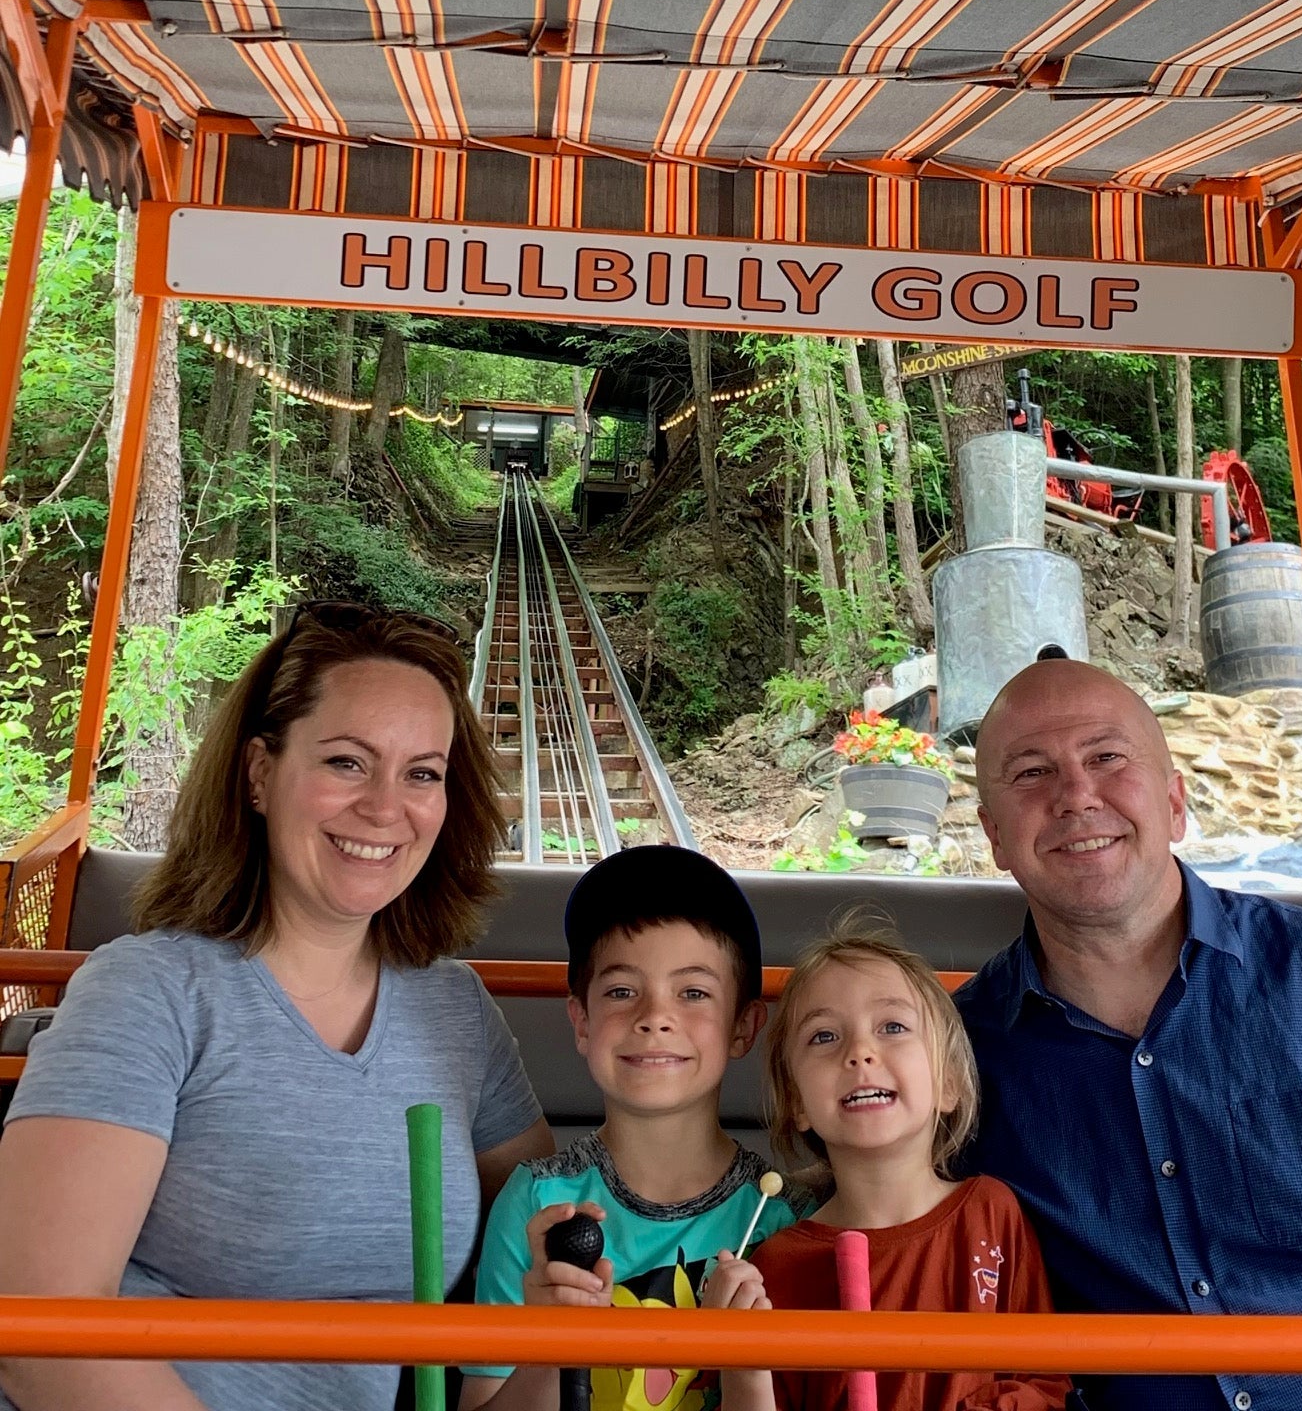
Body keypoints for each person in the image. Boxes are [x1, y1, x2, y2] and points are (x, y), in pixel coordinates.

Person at [0, 602, 554, 1411]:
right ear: (260, 773)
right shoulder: (150, 994)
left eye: (422, 774)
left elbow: (549, 1222)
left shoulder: (454, 1011)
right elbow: (37, 1331)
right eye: (347, 762)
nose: (385, 807)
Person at [957, 656, 1302, 1411]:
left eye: (1107, 758)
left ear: (1175, 803)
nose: (1076, 795)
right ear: (994, 834)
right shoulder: (955, 1059)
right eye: (1031, 772)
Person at [461, 844, 795, 1411]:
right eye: (621, 992)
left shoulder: (782, 1220)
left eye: (693, 993)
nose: (654, 1017)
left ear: (743, 1026)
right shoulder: (538, 1206)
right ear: (582, 1022)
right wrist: (550, 1346)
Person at [707, 913, 1069, 1411]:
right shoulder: (775, 1269)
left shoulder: (991, 1213)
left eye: (893, 1027)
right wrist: (741, 1362)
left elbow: (1045, 1384)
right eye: (824, 1036)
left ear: (948, 1083)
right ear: (797, 1103)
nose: (860, 1052)